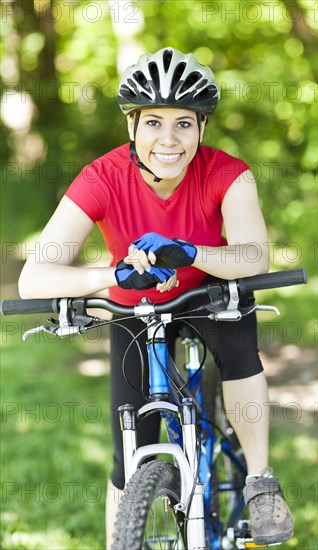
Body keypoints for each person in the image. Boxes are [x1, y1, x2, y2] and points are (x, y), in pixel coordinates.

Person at [18, 47, 294, 547]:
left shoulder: (229, 173)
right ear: (132, 127)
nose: (168, 140)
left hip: (210, 296)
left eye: (184, 124)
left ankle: (260, 479)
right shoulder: (100, 178)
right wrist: (115, 274)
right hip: (137, 305)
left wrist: (189, 252)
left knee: (237, 347)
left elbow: (253, 257)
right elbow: (34, 278)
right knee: (130, 455)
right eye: (154, 123)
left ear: (202, 129)